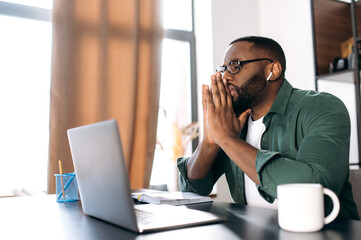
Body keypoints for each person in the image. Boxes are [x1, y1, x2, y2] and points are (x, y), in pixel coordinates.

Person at [177, 36, 359, 220]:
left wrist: (226, 139)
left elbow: (318, 188)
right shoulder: (232, 125)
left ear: (273, 70)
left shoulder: (322, 108)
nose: (225, 77)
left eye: (235, 65)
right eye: (223, 69)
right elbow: (193, 189)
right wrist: (211, 141)